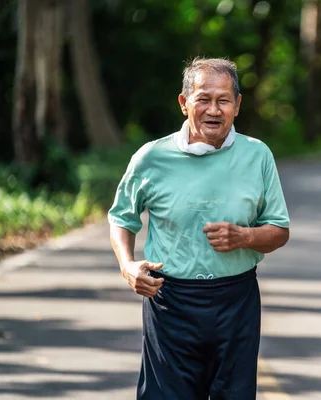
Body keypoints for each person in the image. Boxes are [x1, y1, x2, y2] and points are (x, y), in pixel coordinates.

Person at [108, 57, 290, 400]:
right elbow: (122, 217)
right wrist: (127, 265)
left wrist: (245, 237)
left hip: (236, 301)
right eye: (203, 99)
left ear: (237, 105)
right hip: (170, 300)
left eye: (223, 100)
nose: (214, 110)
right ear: (184, 103)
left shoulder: (258, 156)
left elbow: (279, 230)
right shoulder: (151, 157)